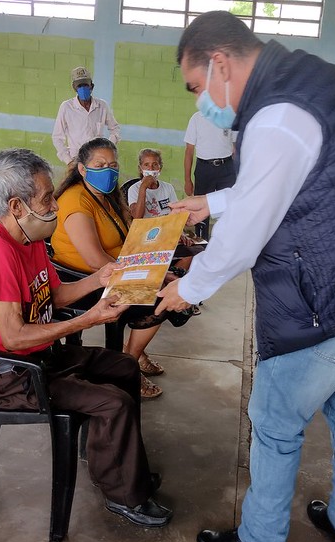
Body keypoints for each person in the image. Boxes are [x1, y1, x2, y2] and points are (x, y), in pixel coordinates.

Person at [156, 11, 335, 542]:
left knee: (275, 419)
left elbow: (244, 236)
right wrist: (213, 202)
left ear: (220, 64)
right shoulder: (315, 79)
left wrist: (190, 288)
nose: (201, 101)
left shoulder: (276, 117)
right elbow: (292, 178)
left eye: (196, 86)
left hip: (333, 301)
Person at [0, 148, 172, 528]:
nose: (55, 205)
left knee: (124, 366)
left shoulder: (29, 238)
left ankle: (119, 466)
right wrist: (87, 320)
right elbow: (13, 338)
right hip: (11, 375)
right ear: (17, 206)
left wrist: (99, 279)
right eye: (47, 199)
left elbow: (54, 295)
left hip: (39, 357)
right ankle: (124, 495)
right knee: (114, 403)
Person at [51, 138, 183, 400]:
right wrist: (146, 276)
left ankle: (131, 357)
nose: (108, 171)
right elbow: (94, 260)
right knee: (161, 298)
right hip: (86, 282)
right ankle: (128, 365)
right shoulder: (76, 201)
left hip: (113, 271)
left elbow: (129, 237)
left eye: (112, 165)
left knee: (171, 284)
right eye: (99, 165)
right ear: (82, 169)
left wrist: (155, 267)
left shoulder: (105, 196)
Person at [127, 147, 203, 283]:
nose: (151, 168)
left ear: (160, 168)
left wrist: (180, 233)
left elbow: (176, 216)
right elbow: (137, 218)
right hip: (146, 238)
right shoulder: (134, 189)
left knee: (194, 251)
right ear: (140, 168)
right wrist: (143, 188)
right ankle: (163, 280)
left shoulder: (168, 188)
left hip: (167, 235)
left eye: (155, 164)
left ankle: (170, 280)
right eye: (146, 165)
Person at [183, 110, 236, 240]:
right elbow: (189, 151)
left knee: (228, 208)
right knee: (200, 210)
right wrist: (187, 180)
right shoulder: (196, 118)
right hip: (204, 169)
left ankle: (226, 243)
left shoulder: (229, 117)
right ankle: (201, 242)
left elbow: (235, 148)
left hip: (227, 167)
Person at [52, 66, 120, 165]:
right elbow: (57, 137)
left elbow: (115, 128)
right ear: (74, 87)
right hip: (76, 159)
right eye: (79, 86)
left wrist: (108, 147)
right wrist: (69, 161)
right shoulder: (66, 107)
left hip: (97, 160)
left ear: (92, 86)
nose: (83, 89)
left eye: (85, 85)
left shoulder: (102, 106)